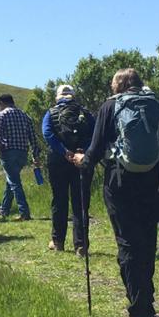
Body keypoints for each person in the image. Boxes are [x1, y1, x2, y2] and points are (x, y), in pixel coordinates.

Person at [70, 69, 159, 317]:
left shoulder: (110, 107)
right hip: (153, 181)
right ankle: (148, 301)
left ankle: (138, 310)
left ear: (118, 87)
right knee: (147, 240)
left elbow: (96, 149)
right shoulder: (155, 105)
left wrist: (81, 162)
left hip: (119, 182)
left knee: (127, 243)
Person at [42, 83, 95, 253]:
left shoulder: (51, 113)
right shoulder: (85, 113)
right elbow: (95, 134)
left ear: (57, 97)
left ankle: (58, 242)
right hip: (81, 160)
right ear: (73, 95)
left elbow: (47, 134)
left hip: (58, 160)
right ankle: (80, 244)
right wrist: (82, 151)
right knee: (80, 202)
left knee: (59, 200)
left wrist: (64, 151)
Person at [0, 93, 42, 220]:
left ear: (1, 103)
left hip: (8, 151)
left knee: (14, 182)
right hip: (23, 153)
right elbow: (33, 138)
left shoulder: (2, 115)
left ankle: (24, 212)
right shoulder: (25, 116)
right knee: (11, 179)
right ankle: (4, 209)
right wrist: (35, 155)